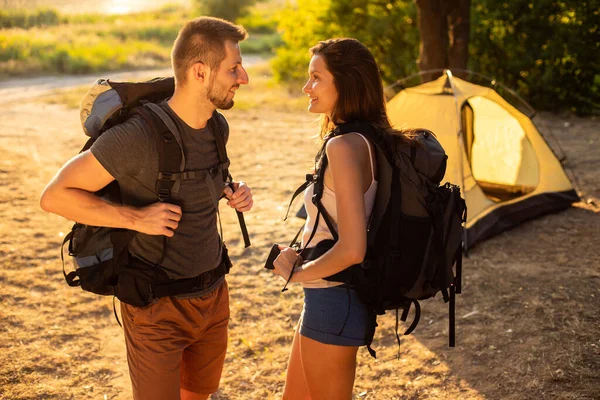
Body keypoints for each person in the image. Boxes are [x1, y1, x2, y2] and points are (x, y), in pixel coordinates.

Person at [40, 17, 253, 400]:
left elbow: (200, 180)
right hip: (156, 307)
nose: (244, 77)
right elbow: (55, 195)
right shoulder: (135, 137)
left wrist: (229, 190)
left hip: (213, 294)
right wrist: (135, 218)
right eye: (234, 68)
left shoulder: (216, 127)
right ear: (200, 71)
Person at [271, 38, 419, 399]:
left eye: (317, 78)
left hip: (335, 299)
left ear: (346, 83)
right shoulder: (369, 139)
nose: (307, 88)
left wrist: (298, 273)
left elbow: (353, 248)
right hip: (331, 299)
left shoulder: (343, 146)